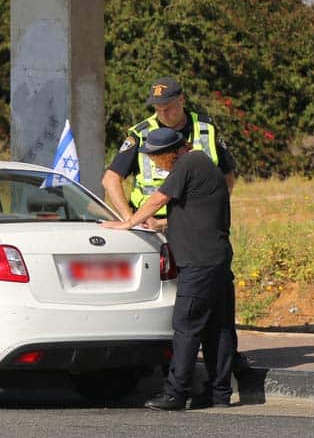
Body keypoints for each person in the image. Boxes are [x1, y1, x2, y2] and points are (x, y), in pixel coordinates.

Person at [101, 127, 236, 411]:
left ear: (172, 152)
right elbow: (196, 212)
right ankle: (219, 394)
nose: (153, 162)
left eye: (155, 157)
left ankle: (175, 393)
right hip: (216, 259)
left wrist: (128, 222)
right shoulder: (201, 164)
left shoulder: (187, 163)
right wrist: (161, 225)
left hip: (198, 264)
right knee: (218, 328)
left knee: (186, 327)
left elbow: (158, 199)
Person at [101, 76, 236, 228]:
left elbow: (227, 176)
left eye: (168, 108)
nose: (163, 114)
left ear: (181, 100)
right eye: (158, 109)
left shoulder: (206, 128)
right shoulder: (141, 134)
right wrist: (130, 219)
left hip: (198, 221)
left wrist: (216, 208)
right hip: (151, 224)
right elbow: (110, 179)